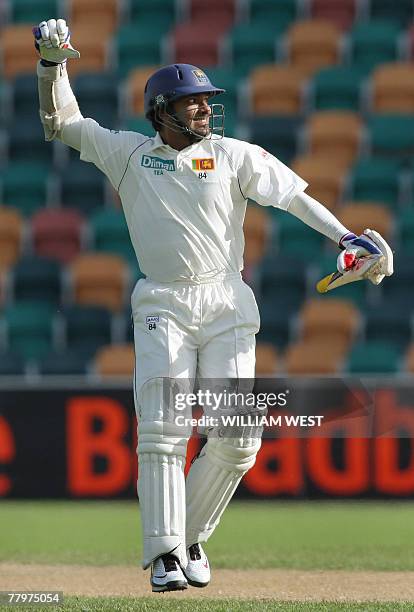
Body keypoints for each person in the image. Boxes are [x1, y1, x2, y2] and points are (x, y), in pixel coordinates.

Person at [33, 19, 393, 592]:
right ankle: (163, 558)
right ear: (162, 112)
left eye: (207, 102)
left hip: (227, 298)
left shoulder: (231, 155)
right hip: (163, 302)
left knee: (238, 437)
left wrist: (346, 237)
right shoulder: (127, 155)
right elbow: (65, 123)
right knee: (163, 428)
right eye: (192, 103)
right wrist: (53, 65)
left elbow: (293, 196)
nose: (205, 111)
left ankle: (188, 538)